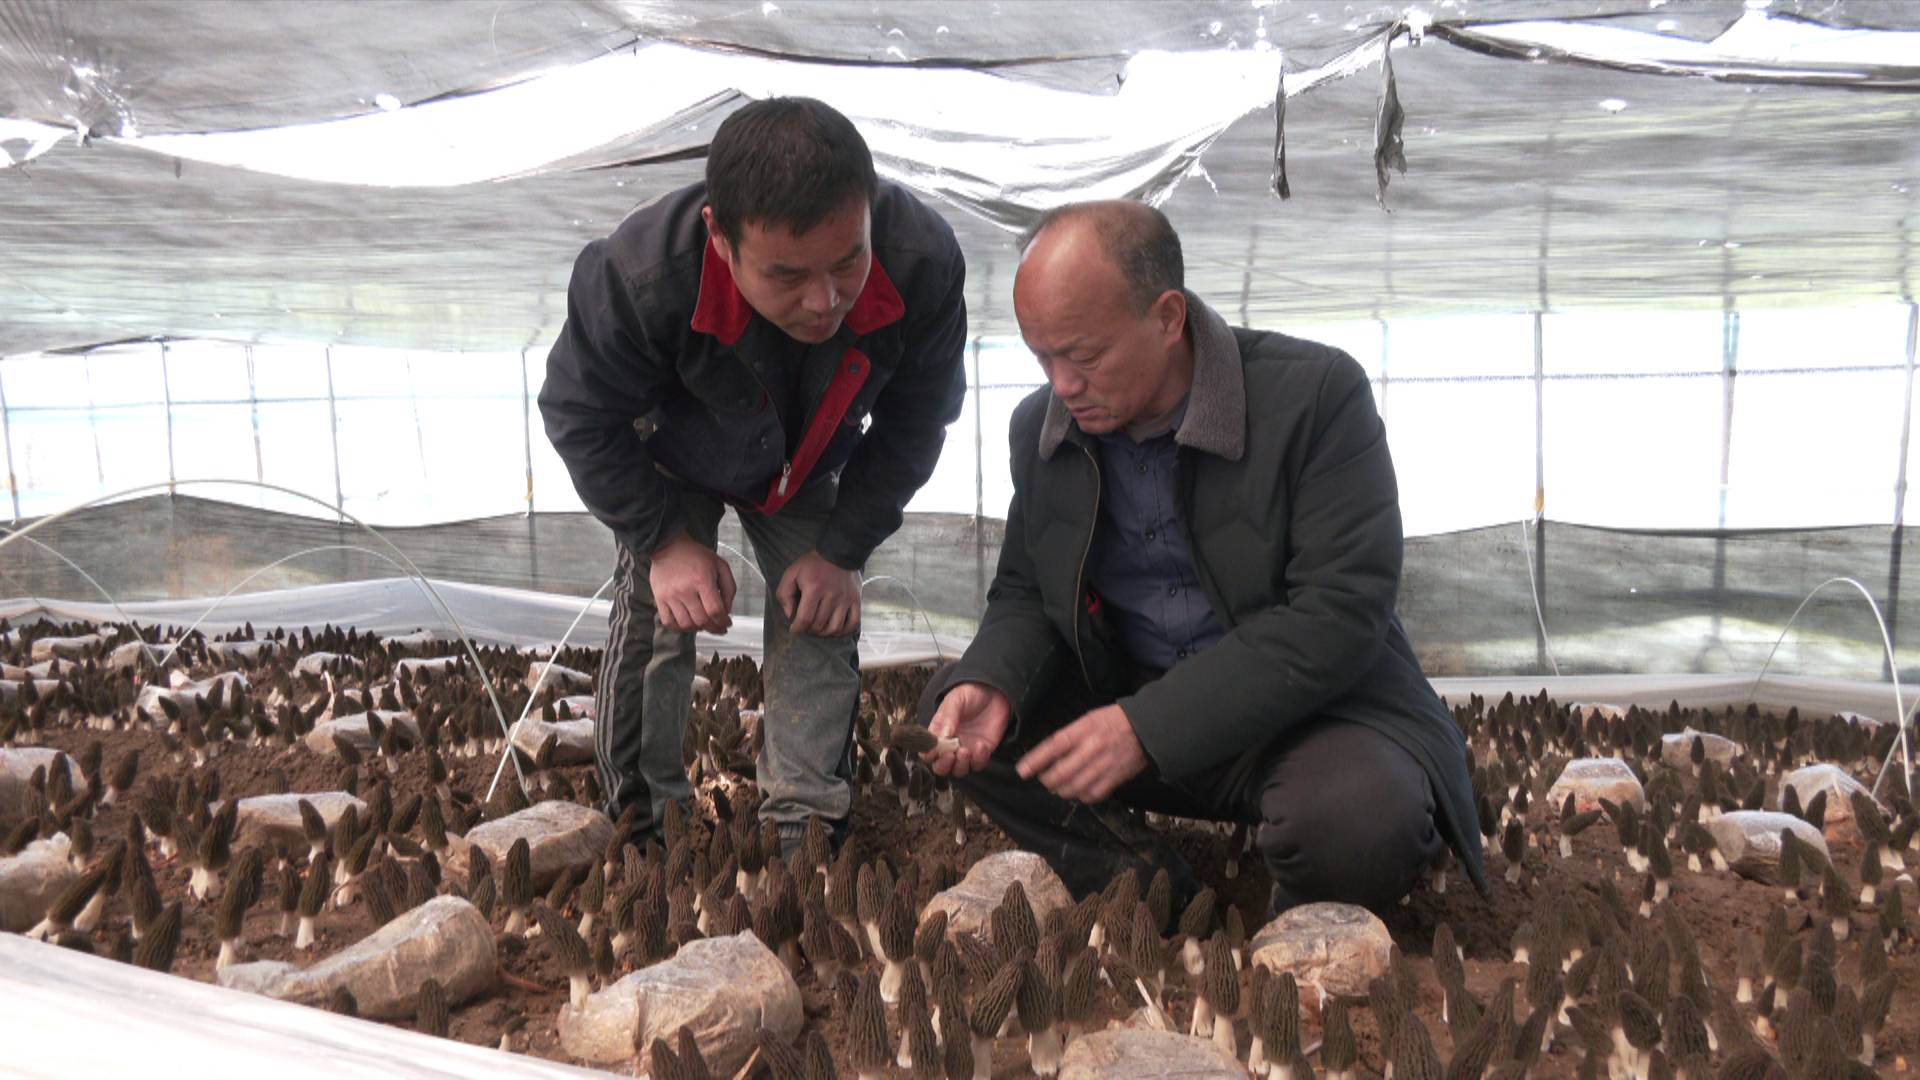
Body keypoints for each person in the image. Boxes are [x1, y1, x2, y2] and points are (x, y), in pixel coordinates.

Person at [919, 200, 1484, 915]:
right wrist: (995, 678)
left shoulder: (1314, 397)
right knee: (957, 714)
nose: (1061, 384)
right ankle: (1155, 894)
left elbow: (1339, 613)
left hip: (1301, 717)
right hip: (1129, 704)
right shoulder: (1046, 426)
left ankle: (1297, 915)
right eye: (1042, 356)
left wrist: (1149, 728)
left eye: (1084, 355)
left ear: (1167, 317)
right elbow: (1028, 592)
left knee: (1360, 823)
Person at [540, 97, 967, 853]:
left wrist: (842, 551)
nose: (825, 299)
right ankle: (647, 818)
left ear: (868, 211)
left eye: (847, 262)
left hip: (805, 459)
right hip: (671, 451)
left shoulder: (922, 264)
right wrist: (665, 541)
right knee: (656, 617)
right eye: (787, 275)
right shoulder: (639, 279)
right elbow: (578, 412)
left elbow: (915, 424)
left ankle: (804, 828)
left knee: (821, 616)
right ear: (720, 237)